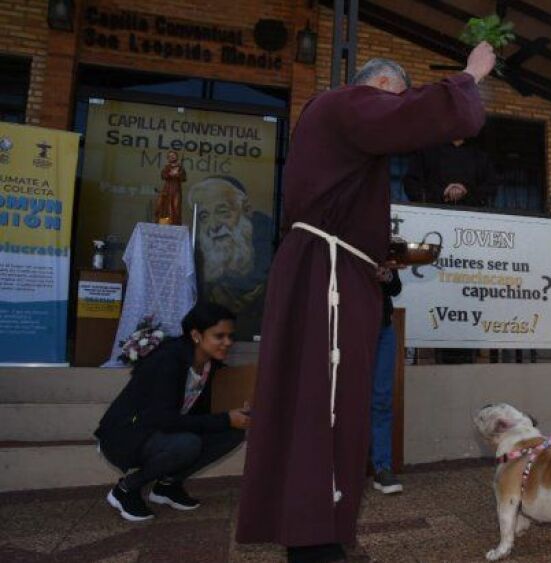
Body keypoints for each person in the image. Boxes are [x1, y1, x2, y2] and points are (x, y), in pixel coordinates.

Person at [236, 44, 495, 563]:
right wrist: (468, 77)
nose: (394, 118)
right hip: (325, 274)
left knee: (334, 401)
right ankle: (312, 544)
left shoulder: (337, 124)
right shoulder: (342, 104)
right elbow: (414, 117)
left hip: (335, 268)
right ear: (377, 87)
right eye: (394, 100)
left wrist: (373, 257)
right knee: (324, 401)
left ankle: (319, 531)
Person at [94, 302, 248, 522]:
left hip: (162, 433)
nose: (228, 343)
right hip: (127, 435)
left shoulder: (210, 366)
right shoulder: (168, 360)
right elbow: (165, 420)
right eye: (219, 336)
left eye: (230, 336)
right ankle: (126, 489)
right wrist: (225, 418)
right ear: (196, 335)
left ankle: (167, 487)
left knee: (231, 433)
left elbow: (201, 414)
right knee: (188, 443)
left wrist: (236, 414)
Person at [188, 176, 274, 340]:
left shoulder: (266, 244)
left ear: (246, 211)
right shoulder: (196, 257)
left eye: (223, 212)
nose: (214, 226)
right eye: (204, 217)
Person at [371, 265, 402, 494]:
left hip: (383, 329)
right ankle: (338, 469)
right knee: (345, 398)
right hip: (349, 326)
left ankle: (382, 468)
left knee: (381, 399)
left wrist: (387, 275)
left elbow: (395, 287)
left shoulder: (384, 245)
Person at [403, 137, 498, 207]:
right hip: (433, 215)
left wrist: (466, 193)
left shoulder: (480, 156)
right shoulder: (426, 151)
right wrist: (441, 194)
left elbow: (491, 187)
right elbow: (411, 184)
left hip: (471, 219)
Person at [154, 150, 185, 225]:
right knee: (165, 206)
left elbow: (183, 178)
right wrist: (171, 174)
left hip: (176, 189)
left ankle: (175, 223)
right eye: (170, 156)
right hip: (167, 189)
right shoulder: (166, 167)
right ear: (168, 158)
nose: (172, 157)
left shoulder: (180, 167)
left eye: (173, 155)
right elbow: (163, 175)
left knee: (176, 206)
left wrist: (177, 174)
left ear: (177, 157)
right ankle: (165, 221)